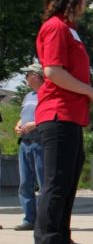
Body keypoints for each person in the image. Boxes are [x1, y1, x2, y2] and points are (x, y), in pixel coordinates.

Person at [32, 0, 93, 244]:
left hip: (71, 118)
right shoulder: (55, 28)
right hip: (56, 115)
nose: (87, 0)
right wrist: (91, 92)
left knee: (66, 189)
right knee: (55, 187)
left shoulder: (70, 30)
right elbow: (52, 71)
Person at [14, 62, 45, 231]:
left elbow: (50, 116)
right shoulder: (28, 96)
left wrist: (35, 124)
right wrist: (19, 124)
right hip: (25, 144)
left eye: (27, 74)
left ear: (36, 76)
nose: (25, 77)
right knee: (25, 183)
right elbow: (23, 116)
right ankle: (29, 219)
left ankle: (43, 220)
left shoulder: (47, 94)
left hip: (40, 144)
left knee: (44, 184)